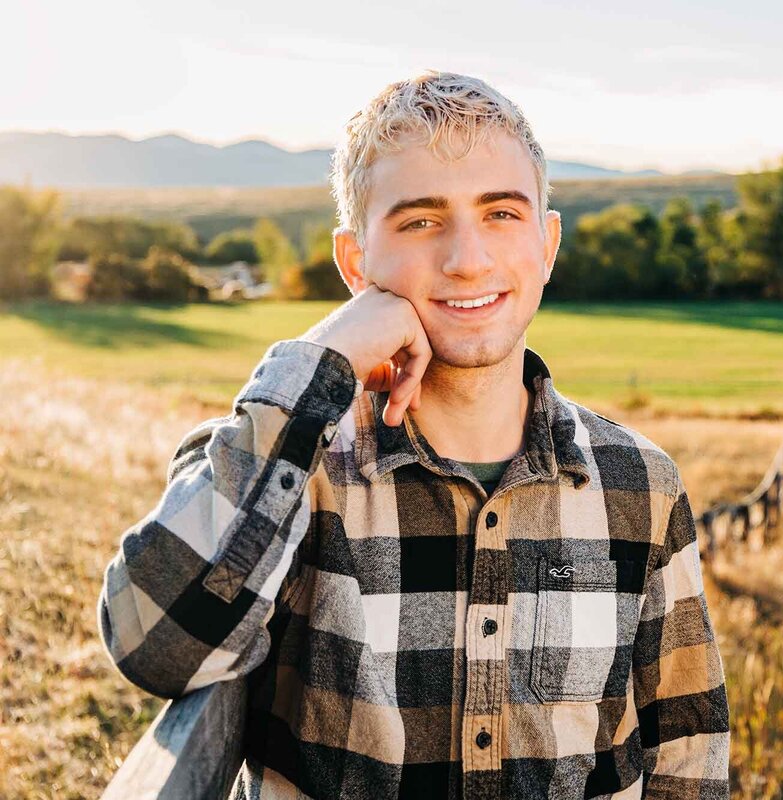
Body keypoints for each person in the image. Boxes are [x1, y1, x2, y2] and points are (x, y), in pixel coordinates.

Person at [97, 70, 730, 799]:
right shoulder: (285, 469)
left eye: (501, 214)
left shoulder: (640, 486)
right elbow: (153, 642)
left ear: (547, 245)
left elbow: (689, 756)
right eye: (421, 220)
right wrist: (324, 359)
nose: (467, 258)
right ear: (355, 263)